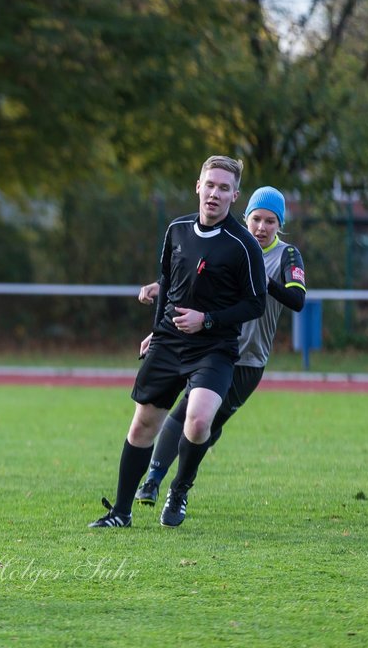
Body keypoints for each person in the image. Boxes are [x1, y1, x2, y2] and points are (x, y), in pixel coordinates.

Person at [89, 155, 267, 529]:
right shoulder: (178, 229)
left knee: (199, 421)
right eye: (210, 185)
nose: (214, 193)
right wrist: (157, 331)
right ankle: (121, 512)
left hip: (215, 348)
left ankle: (179, 490)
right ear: (197, 187)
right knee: (141, 427)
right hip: (170, 343)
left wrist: (208, 319)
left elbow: (255, 303)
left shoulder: (243, 245)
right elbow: (168, 284)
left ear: (235, 195)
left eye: (223, 188)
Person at [132, 186, 306, 507]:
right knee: (187, 415)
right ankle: (154, 481)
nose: (262, 227)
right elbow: (194, 278)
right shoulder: (230, 243)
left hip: (247, 359)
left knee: (204, 427)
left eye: (270, 221)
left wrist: (262, 280)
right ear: (246, 217)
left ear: (279, 225)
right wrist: (160, 294)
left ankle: (179, 486)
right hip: (208, 347)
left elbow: (297, 300)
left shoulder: (287, 255)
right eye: (256, 219)